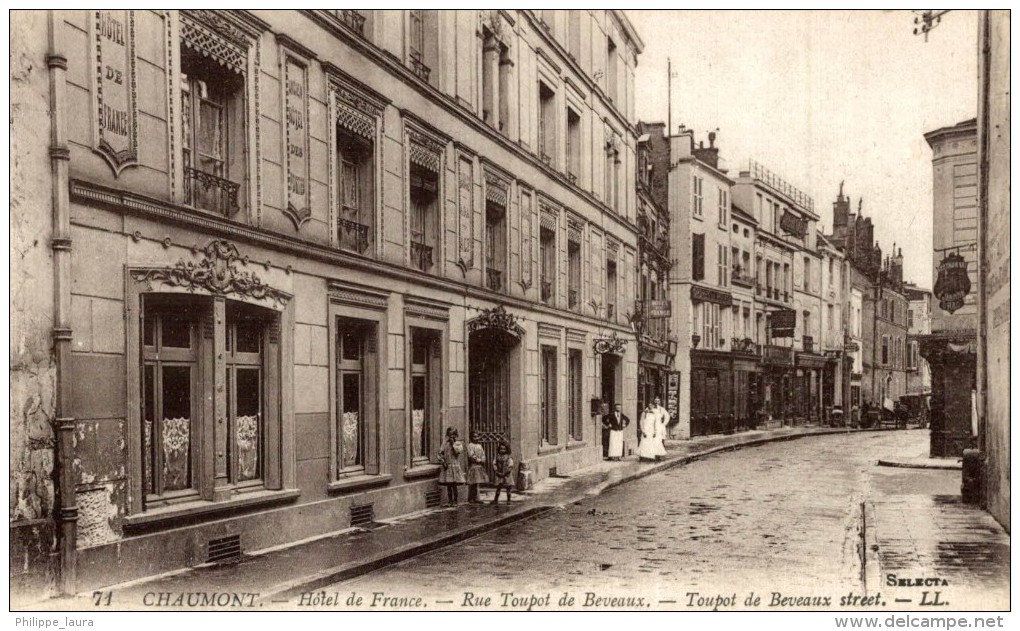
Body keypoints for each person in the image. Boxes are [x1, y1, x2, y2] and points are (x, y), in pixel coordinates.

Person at [437, 427, 465, 506]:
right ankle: (450, 500)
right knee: (448, 485)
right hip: (447, 466)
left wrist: (453, 444)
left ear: (456, 435)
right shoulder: (445, 444)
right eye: (449, 435)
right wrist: (443, 462)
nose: (451, 437)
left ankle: (455, 501)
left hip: (454, 466)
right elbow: (440, 453)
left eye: (453, 435)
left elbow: (458, 451)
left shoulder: (458, 444)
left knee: (454, 485)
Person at [465, 431, 488, 504]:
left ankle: (477, 498)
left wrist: (482, 459)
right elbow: (471, 455)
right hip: (474, 465)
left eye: (477, 436)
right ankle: (471, 498)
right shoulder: (470, 445)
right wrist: (477, 460)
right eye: (474, 436)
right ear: (471, 438)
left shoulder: (479, 446)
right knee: (473, 482)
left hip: (479, 466)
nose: (476, 438)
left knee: (477, 482)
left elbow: (483, 454)